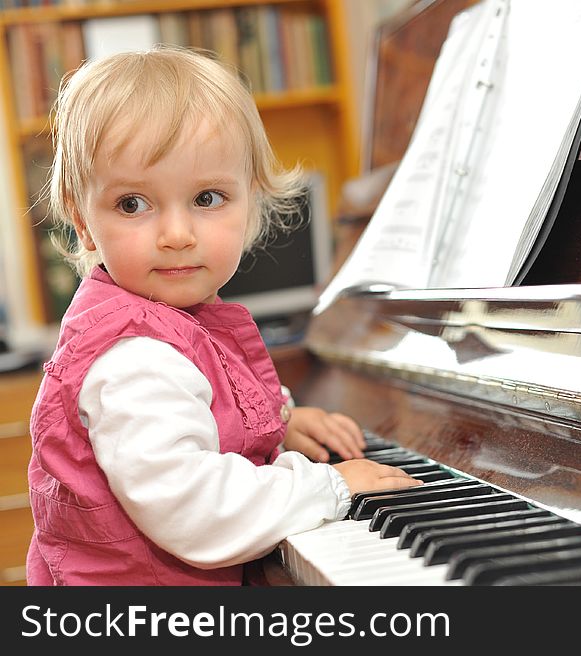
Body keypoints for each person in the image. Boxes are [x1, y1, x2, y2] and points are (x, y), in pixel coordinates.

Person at [27, 45, 421, 586]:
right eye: (132, 205)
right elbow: (195, 509)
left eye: (207, 198)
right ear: (84, 222)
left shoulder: (181, 319)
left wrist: (282, 427)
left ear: (250, 203)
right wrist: (330, 486)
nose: (177, 234)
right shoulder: (134, 358)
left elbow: (210, 409)